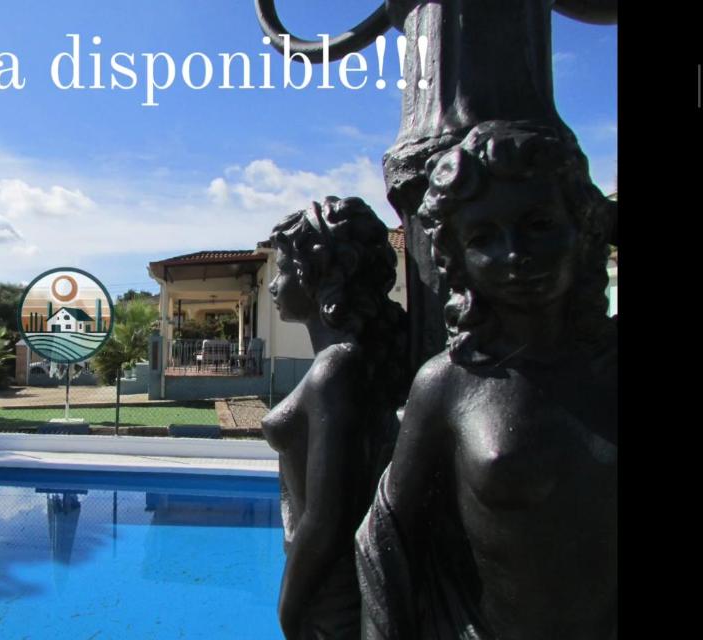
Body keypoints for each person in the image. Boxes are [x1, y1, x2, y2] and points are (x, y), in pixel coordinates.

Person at [355, 121, 617, 639]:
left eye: (539, 224)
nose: (515, 254)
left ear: (581, 226)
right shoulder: (448, 384)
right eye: (483, 237)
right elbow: (387, 546)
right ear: (458, 259)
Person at [262, 196, 409, 639]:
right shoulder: (343, 363)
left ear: (315, 277)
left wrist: (289, 602)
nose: (272, 284)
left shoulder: (336, 370)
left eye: (283, 268)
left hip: (330, 589)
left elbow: (326, 520)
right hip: (328, 580)